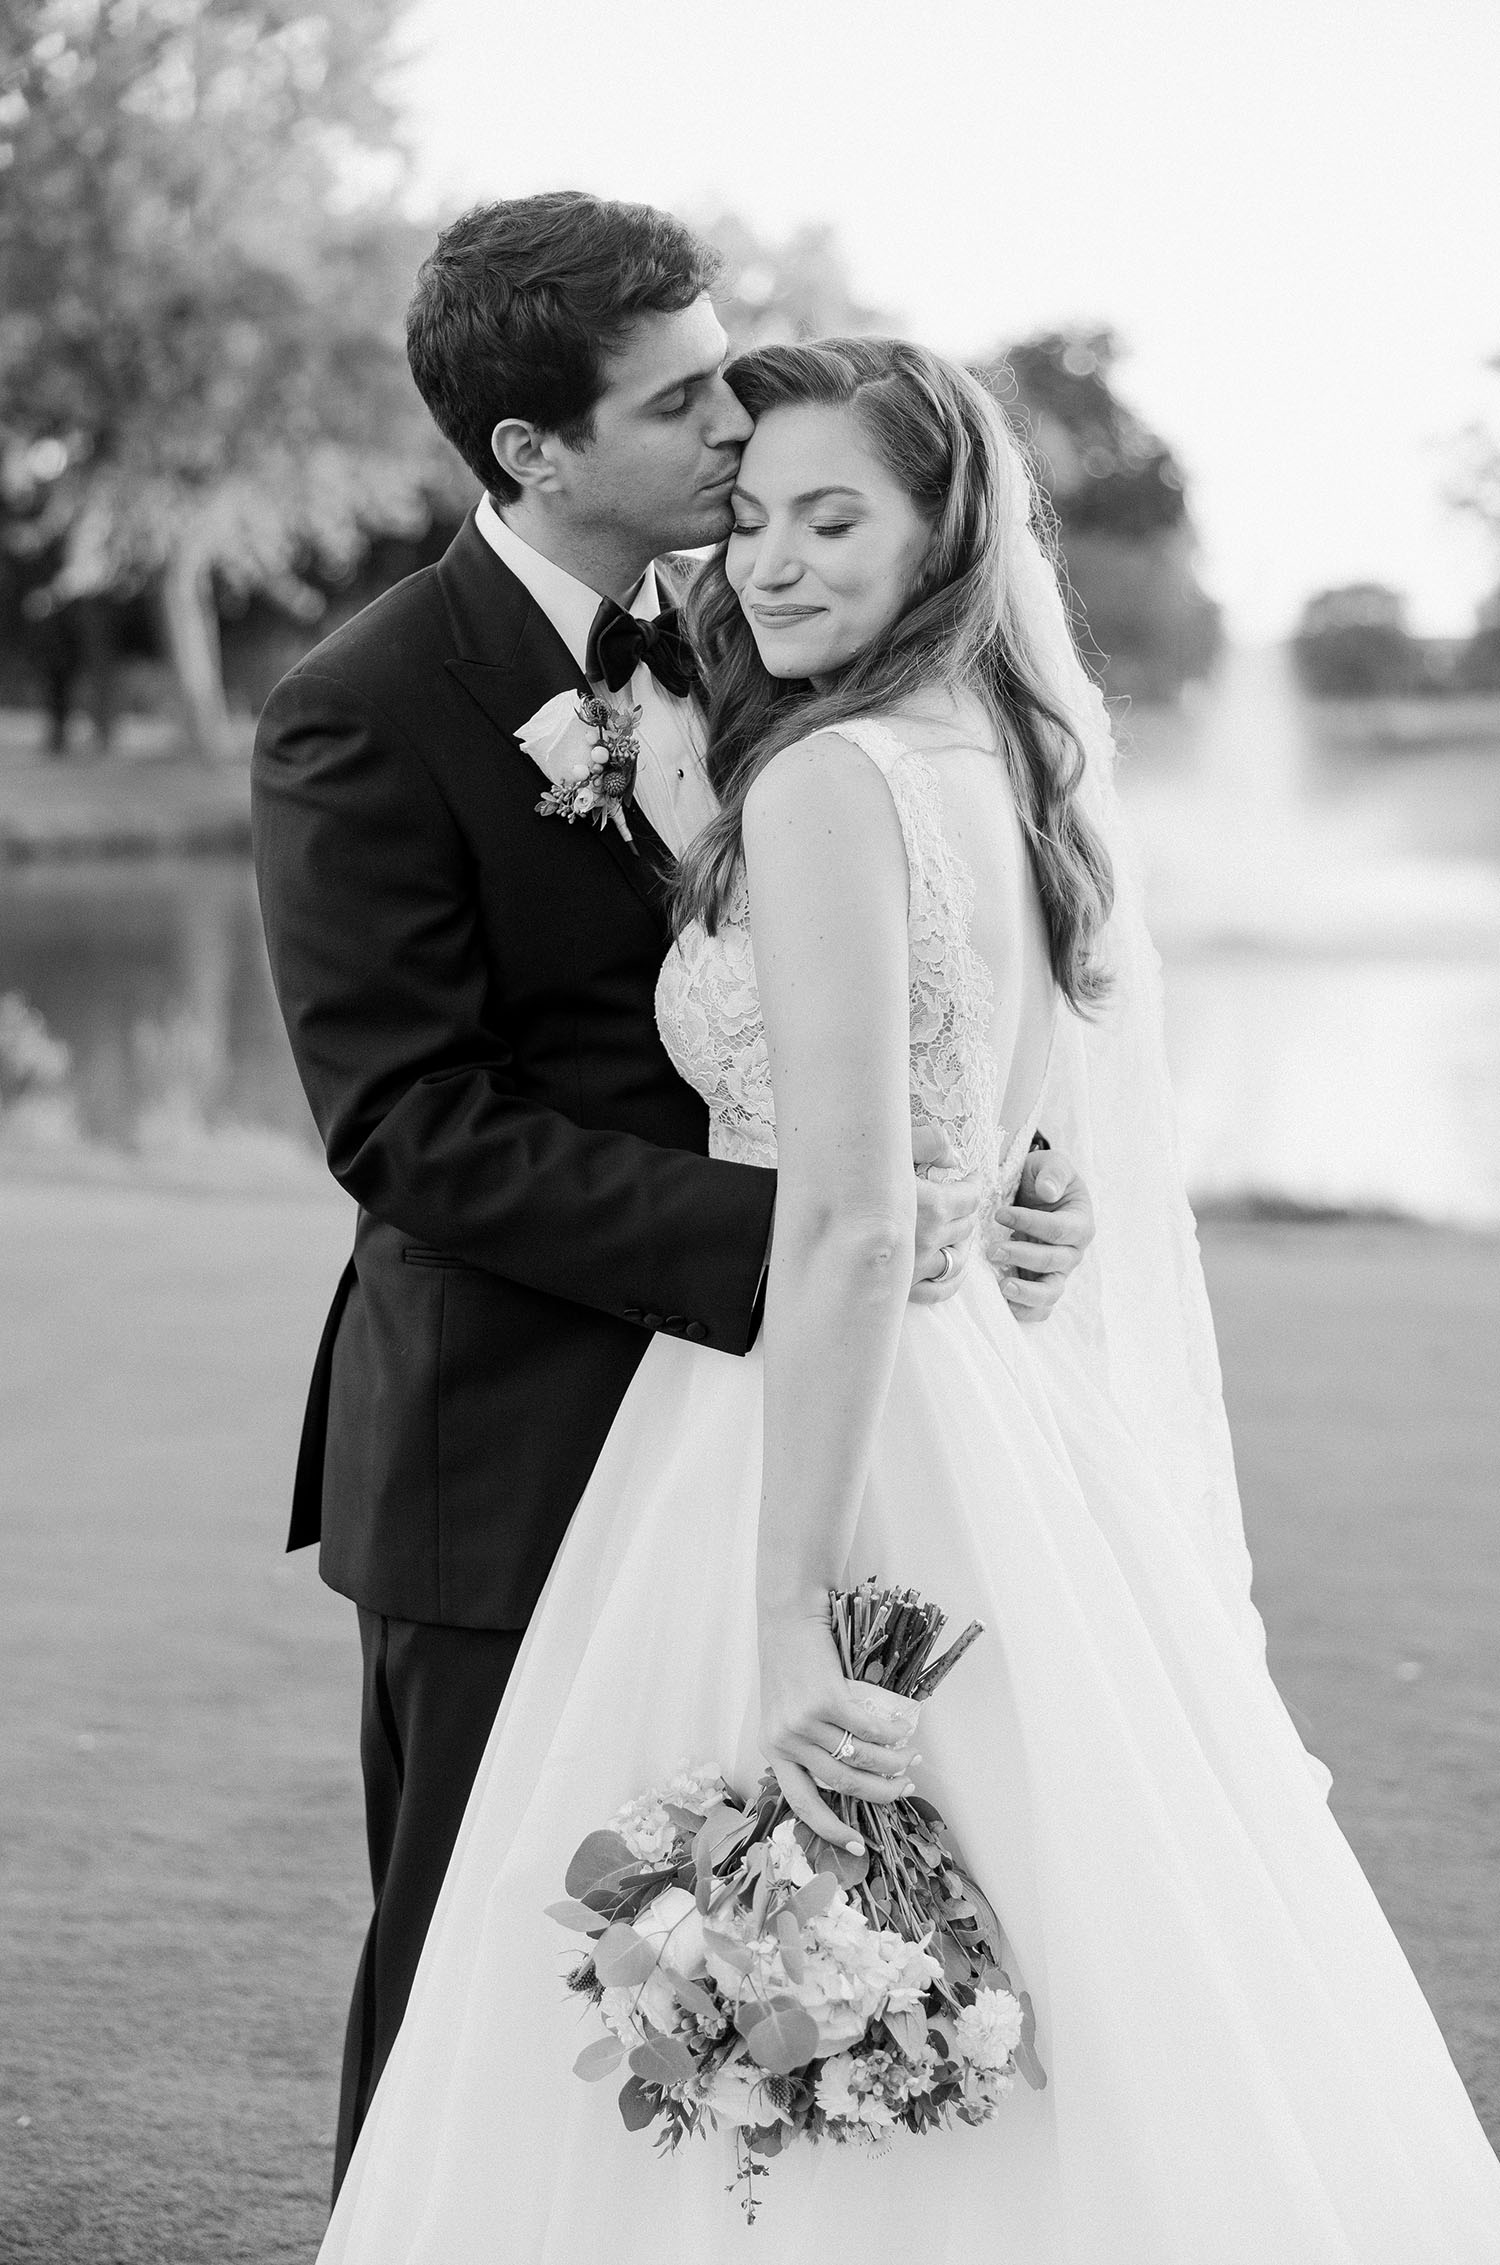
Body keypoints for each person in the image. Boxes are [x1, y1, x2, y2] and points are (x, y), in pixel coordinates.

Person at [312, 336, 1500, 2261]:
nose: (768, 559)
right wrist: (1017, 1182)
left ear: (945, 532)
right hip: (975, 1408)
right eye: (755, 517)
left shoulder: (825, 777)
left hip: (811, 1394)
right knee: (1044, 1903)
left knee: (761, 1879)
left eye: (832, 519)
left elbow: (861, 1219)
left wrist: (794, 1611)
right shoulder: (1002, 755)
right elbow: (983, 1096)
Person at [250, 193, 1097, 2197]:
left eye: (725, 374)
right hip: (511, 1440)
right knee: (469, 1986)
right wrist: (813, 1230)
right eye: (680, 399)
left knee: (793, 1938)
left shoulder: (756, 629)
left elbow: (897, 970)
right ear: (533, 448)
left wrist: (1005, 1171)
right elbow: (411, 1125)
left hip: (787, 1423)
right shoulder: (365, 702)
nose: (735, 426)